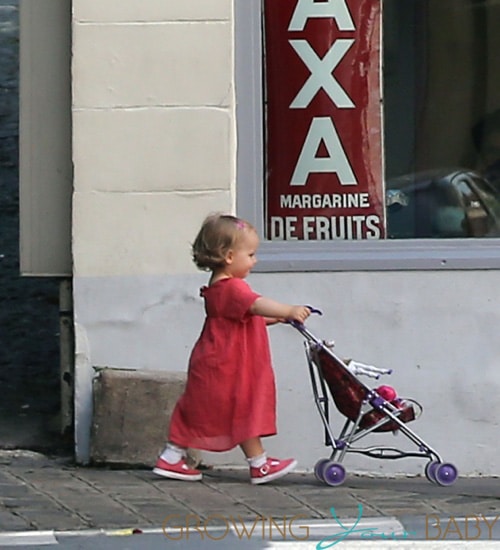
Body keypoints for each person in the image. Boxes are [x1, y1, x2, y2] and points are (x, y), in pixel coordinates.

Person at [153, 214, 311, 484]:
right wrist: (288, 309)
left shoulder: (221, 287)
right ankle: (257, 464)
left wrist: (280, 318)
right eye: (250, 254)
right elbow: (256, 305)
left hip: (221, 363)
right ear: (228, 256)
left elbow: (247, 317)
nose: (255, 260)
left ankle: (174, 457)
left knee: (213, 409)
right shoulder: (233, 288)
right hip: (228, 365)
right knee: (240, 408)